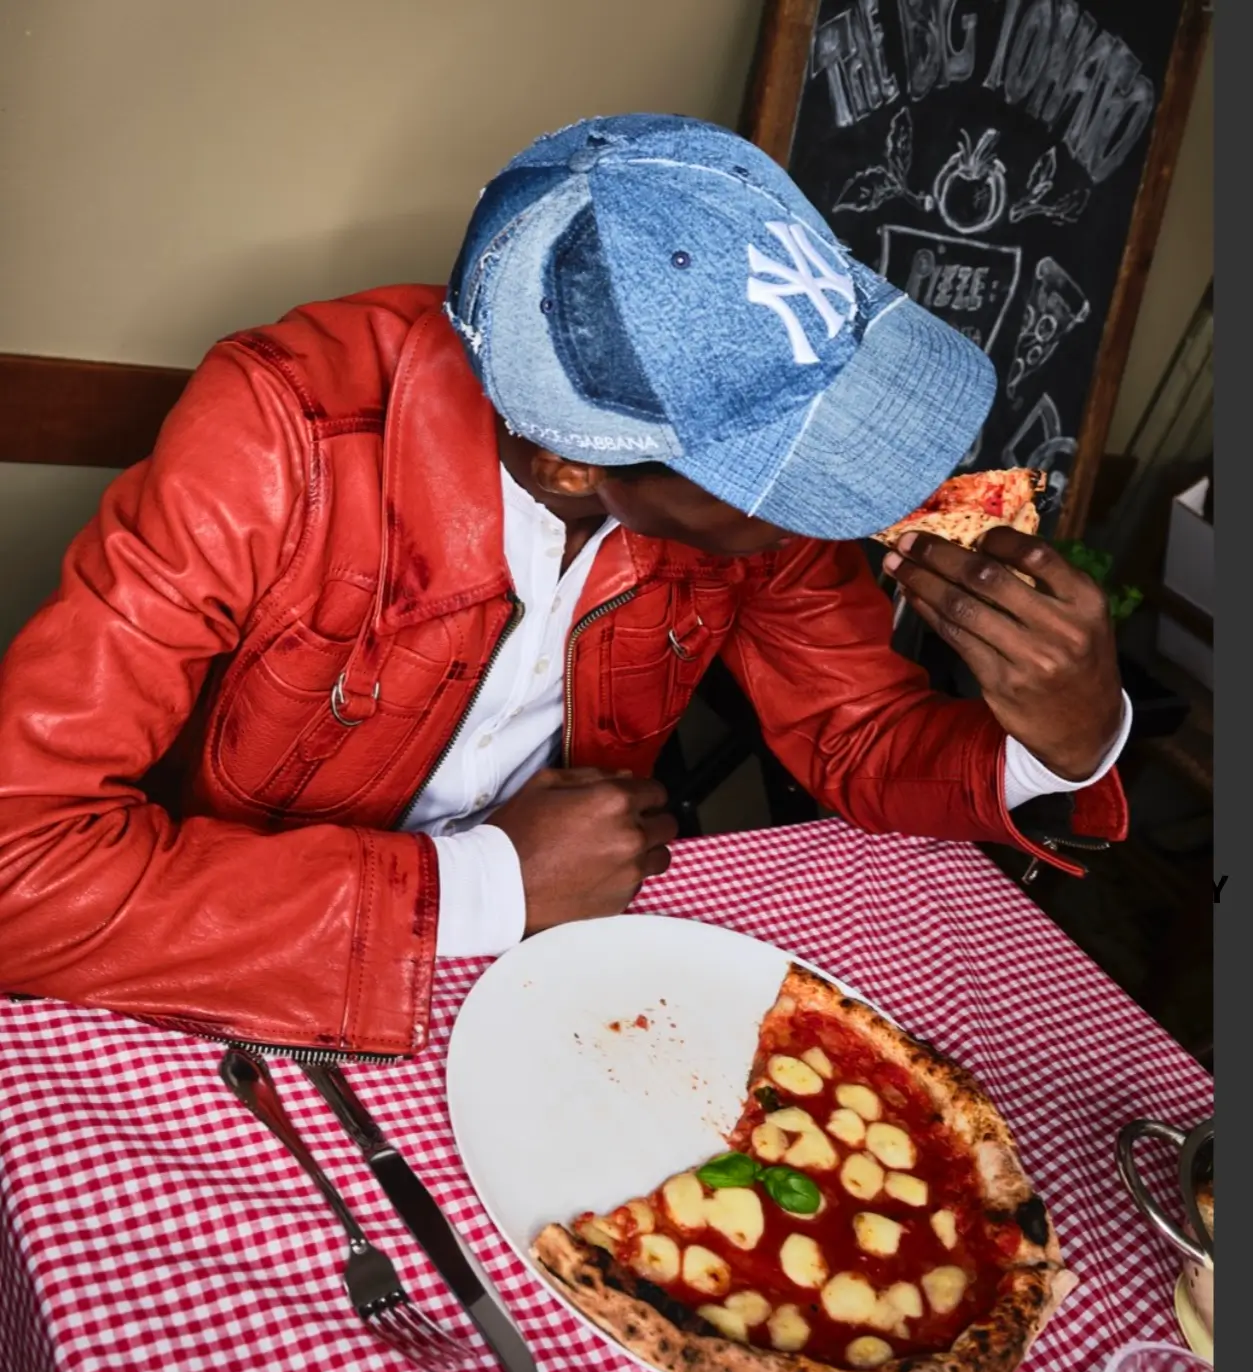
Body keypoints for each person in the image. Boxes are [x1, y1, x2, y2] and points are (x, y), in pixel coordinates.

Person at [0, 115, 1127, 1059]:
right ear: (571, 463)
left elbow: (862, 737)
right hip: (245, 970)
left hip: (554, 971)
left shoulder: (753, 528)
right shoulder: (275, 432)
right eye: (777, 470)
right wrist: (482, 885)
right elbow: (22, 869)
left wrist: (1066, 732)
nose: (837, 502)